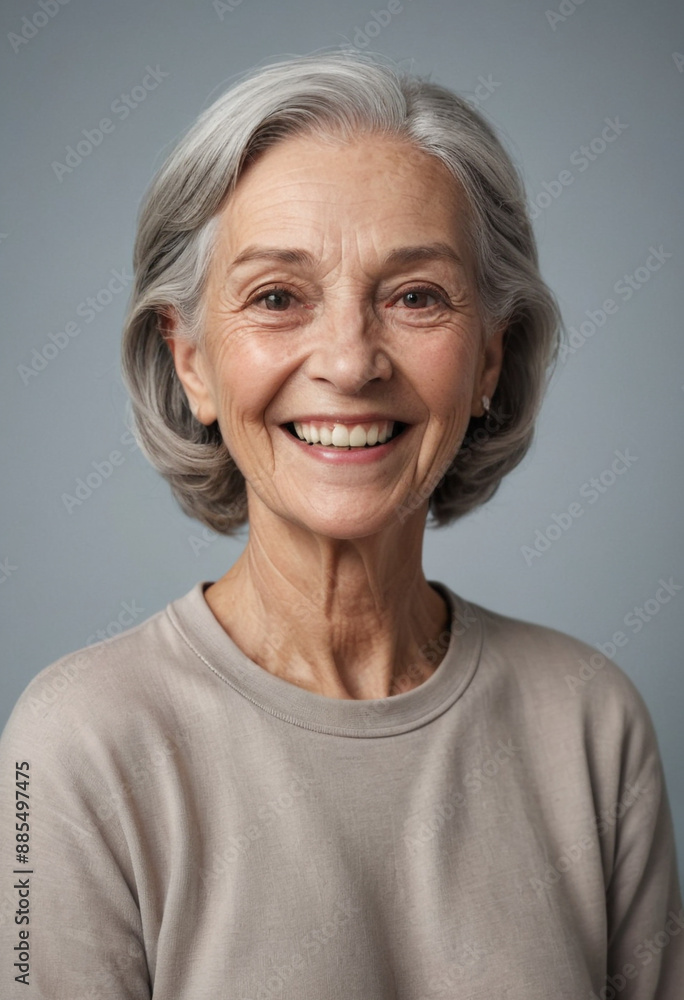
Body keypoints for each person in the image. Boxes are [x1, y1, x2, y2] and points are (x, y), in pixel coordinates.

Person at [1, 49, 682, 1000]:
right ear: (191, 360)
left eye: (415, 297)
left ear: (490, 358)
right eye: (277, 297)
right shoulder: (76, 745)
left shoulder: (591, 723)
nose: (352, 362)